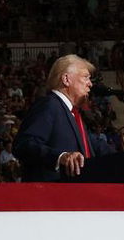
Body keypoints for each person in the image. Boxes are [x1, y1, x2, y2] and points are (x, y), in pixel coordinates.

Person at [14, 54, 97, 182]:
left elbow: (93, 145)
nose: (90, 84)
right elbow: (24, 144)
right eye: (86, 77)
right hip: (50, 195)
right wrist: (60, 157)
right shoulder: (49, 105)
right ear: (66, 79)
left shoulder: (73, 114)